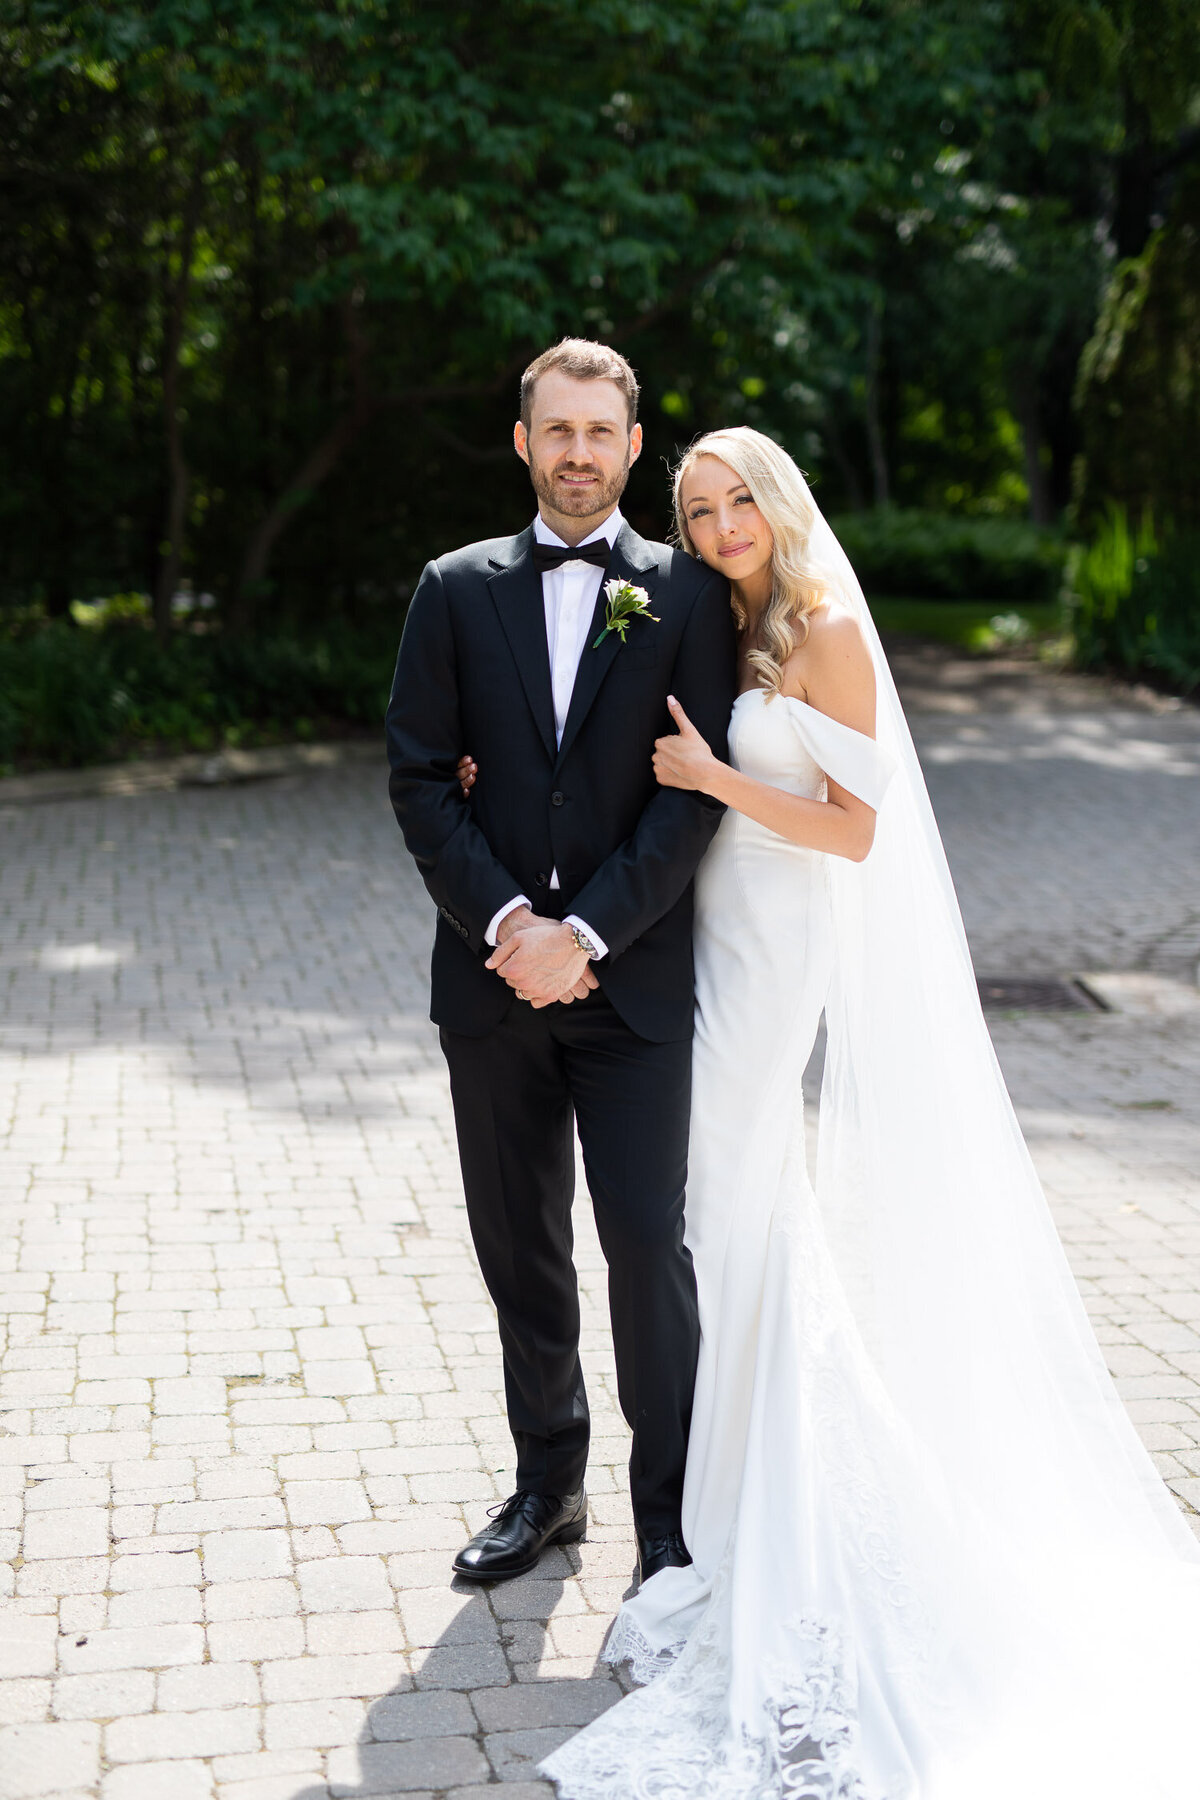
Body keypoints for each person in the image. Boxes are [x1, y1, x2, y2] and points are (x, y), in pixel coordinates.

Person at [459, 427, 1200, 1798]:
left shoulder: (828, 627)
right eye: (699, 506)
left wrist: (720, 783)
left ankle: (765, 1519)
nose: (723, 519)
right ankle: (740, 1496)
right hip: (715, 934)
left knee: (721, 1210)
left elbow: (857, 828)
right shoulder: (723, 623)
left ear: (780, 501)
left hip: (777, 949)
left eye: (740, 498)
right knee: (729, 1222)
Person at [386, 340, 737, 1586]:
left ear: (635, 446)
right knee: (517, 1246)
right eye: (559, 430)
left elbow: (690, 802)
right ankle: (548, 1486)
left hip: (630, 986)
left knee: (648, 1244)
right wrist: (508, 932)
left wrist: (582, 935)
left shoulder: (690, 599)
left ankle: (670, 1510)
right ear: (523, 440)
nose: (580, 453)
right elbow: (423, 780)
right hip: (490, 992)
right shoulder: (453, 588)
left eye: (602, 431)